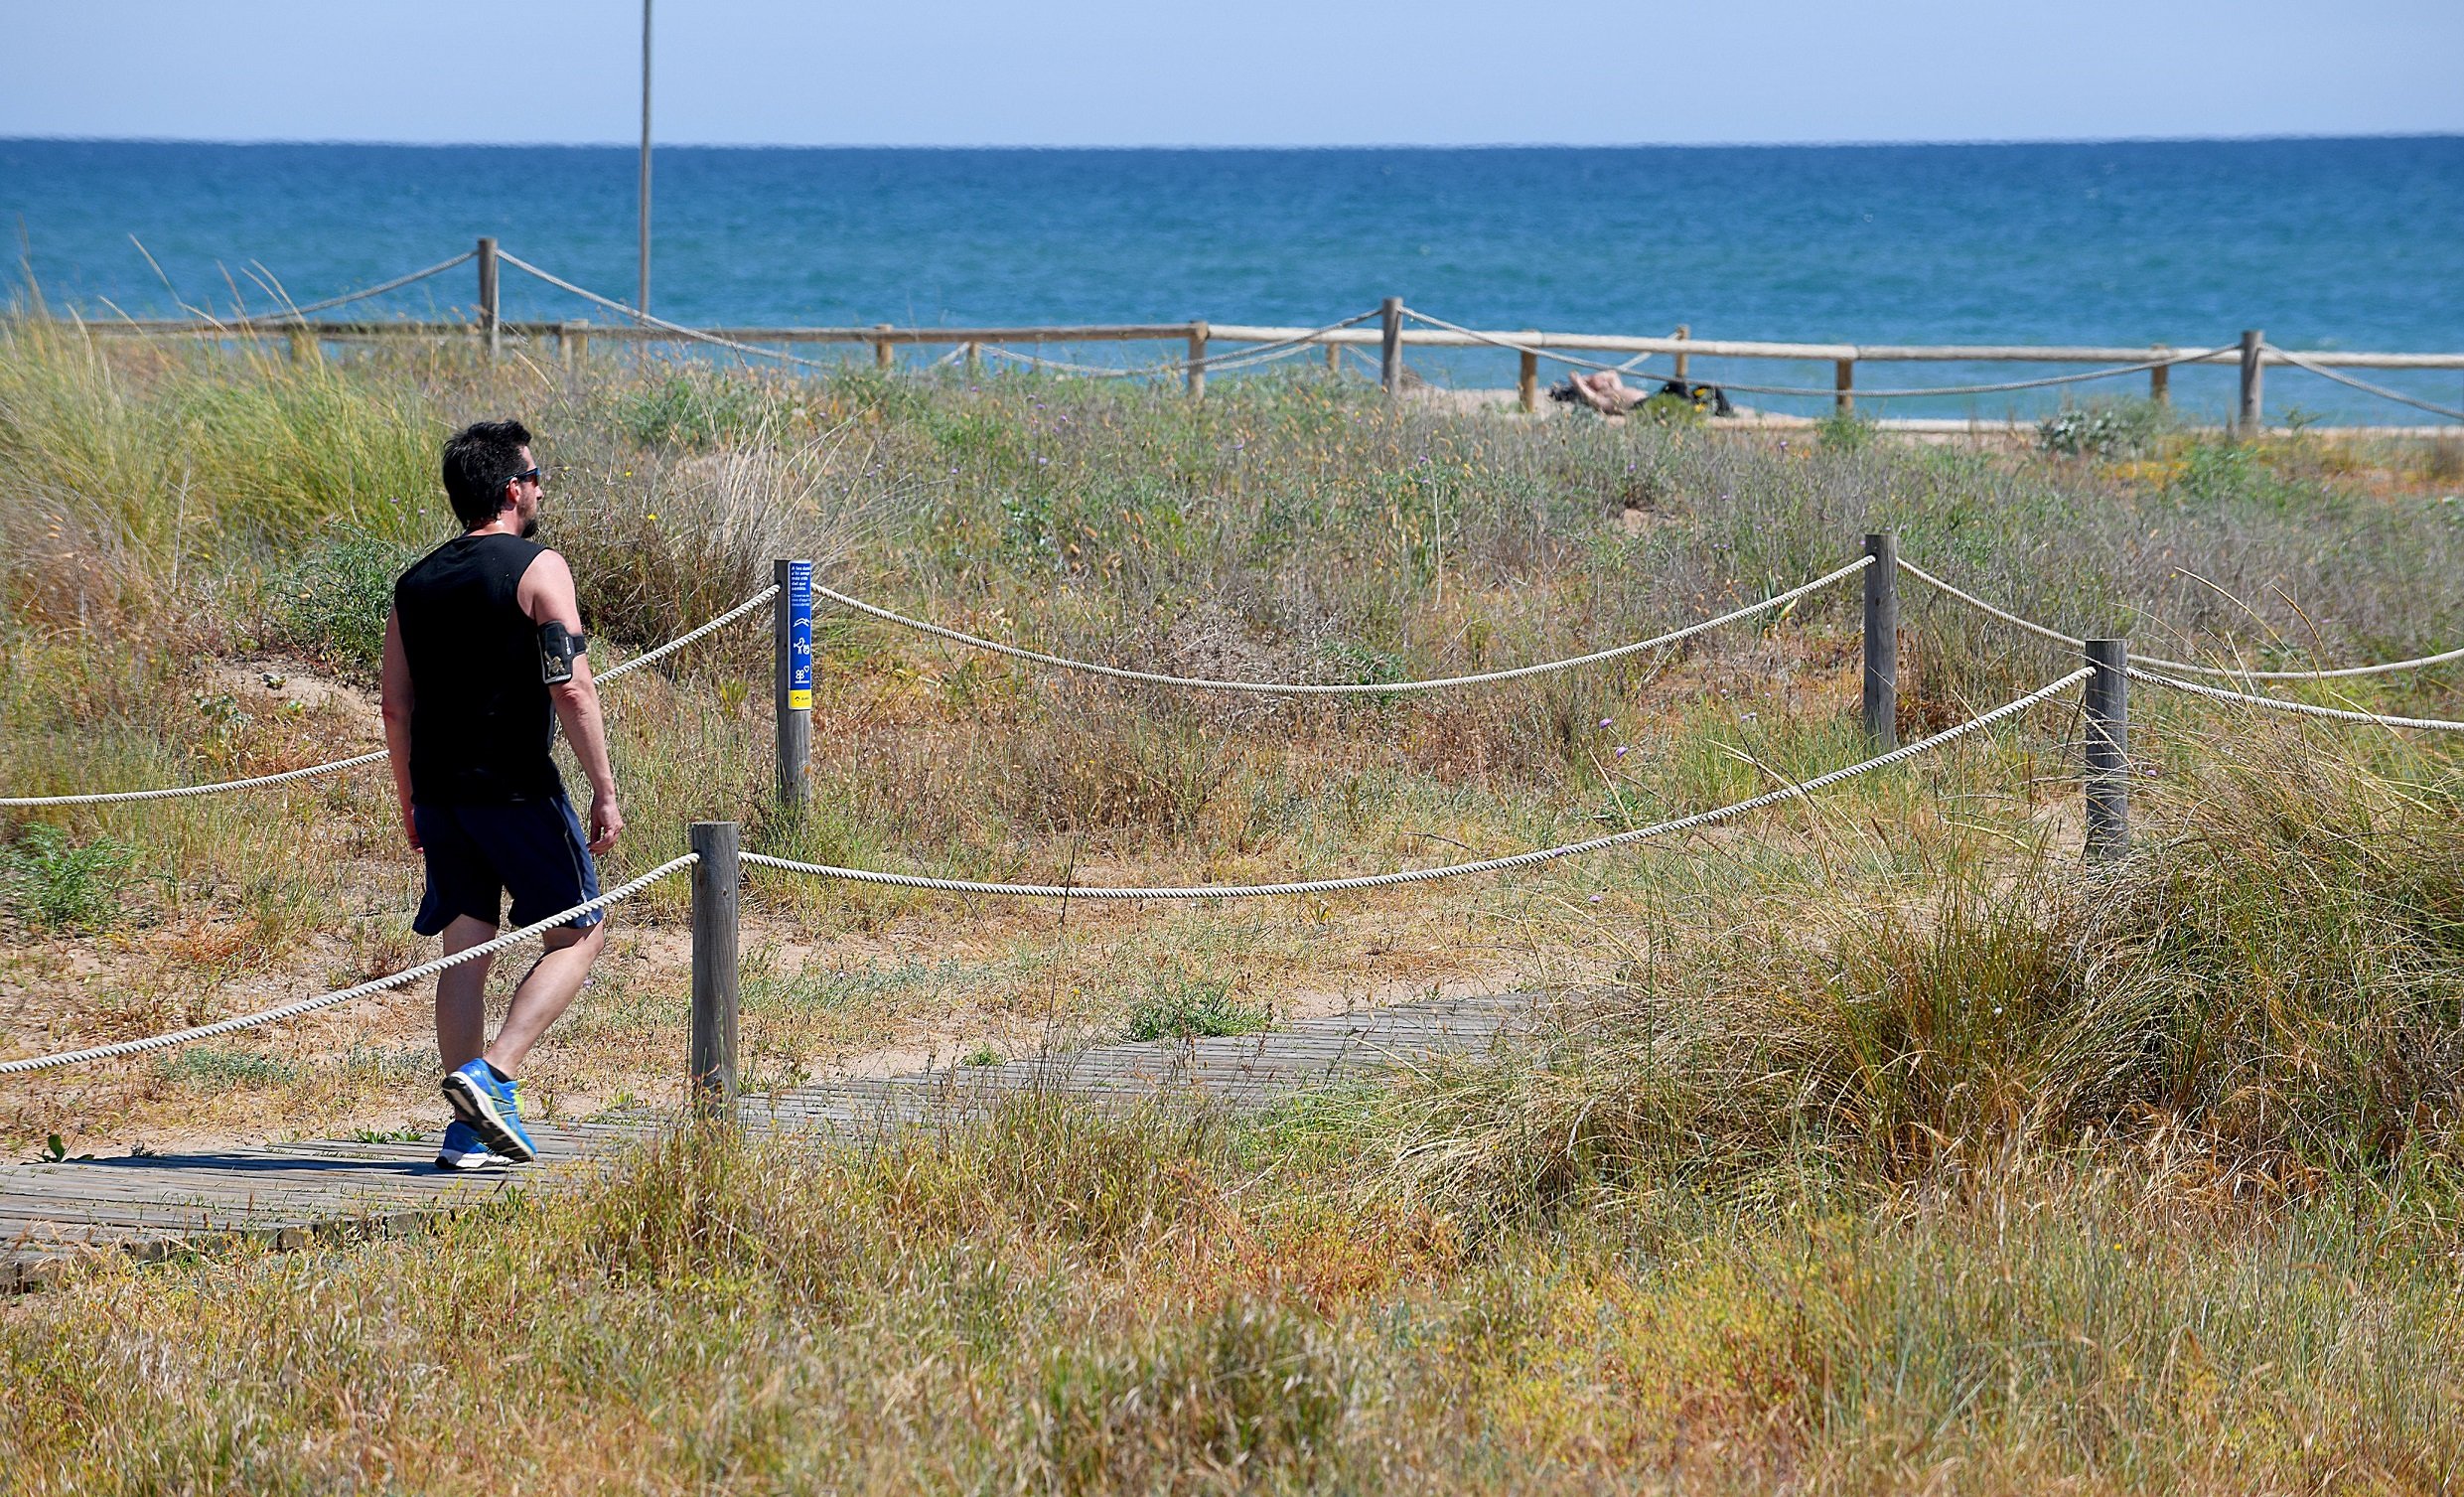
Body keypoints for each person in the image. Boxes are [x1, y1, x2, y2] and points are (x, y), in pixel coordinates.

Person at [379, 419, 624, 1170]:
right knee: (581, 932)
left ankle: (464, 1133)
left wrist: (409, 800)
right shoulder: (539, 567)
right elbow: (571, 685)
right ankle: (493, 1072)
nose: (542, 486)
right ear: (512, 488)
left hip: (443, 795)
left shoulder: (413, 583)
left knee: (464, 954)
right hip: (515, 790)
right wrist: (605, 790)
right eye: (536, 474)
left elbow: (395, 705)